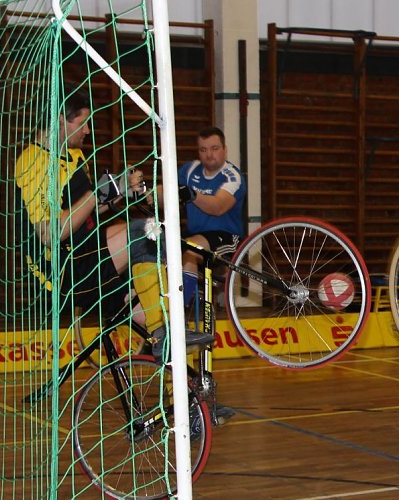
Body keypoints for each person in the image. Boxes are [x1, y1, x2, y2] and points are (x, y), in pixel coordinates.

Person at [15, 88, 213, 363]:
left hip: (85, 253)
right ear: (60, 120)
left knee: (156, 306)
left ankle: (183, 375)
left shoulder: (73, 155)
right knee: (145, 233)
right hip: (60, 272)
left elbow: (85, 211)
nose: (88, 131)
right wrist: (96, 194)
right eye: (83, 123)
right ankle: (163, 330)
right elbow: (51, 233)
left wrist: (120, 191)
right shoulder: (33, 162)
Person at [177, 126, 247, 308]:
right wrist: (146, 191)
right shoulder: (189, 170)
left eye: (214, 149)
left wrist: (192, 194)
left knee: (190, 249)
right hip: (195, 233)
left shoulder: (232, 176)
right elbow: (167, 193)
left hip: (226, 236)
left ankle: (183, 307)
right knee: (159, 249)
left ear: (225, 149)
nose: (209, 155)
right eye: (203, 150)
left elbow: (217, 206)